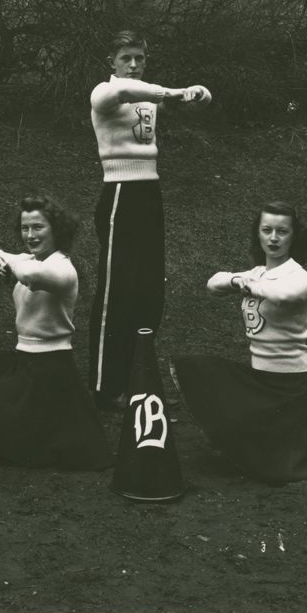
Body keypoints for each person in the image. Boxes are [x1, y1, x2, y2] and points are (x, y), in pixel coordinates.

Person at [172, 201, 307, 483]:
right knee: (196, 368)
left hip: (292, 385)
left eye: (282, 231)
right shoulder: (255, 272)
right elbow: (213, 283)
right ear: (257, 233)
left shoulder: (299, 276)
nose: (273, 238)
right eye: (266, 230)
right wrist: (238, 280)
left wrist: (249, 284)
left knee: (278, 471)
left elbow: (283, 296)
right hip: (259, 379)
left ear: (294, 236)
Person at [0, 196, 113, 470]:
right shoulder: (27, 260)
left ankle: (19, 440)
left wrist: (8, 261)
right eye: (25, 228)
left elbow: (31, 275)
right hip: (23, 362)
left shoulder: (64, 269)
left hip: (52, 369)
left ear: (57, 229)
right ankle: (16, 438)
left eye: (38, 227)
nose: (30, 235)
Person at [88, 29, 212, 411]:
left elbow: (198, 98)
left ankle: (135, 377)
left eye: (140, 57)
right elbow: (124, 93)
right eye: (126, 57)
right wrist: (173, 92)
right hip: (120, 192)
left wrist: (197, 91)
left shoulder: (150, 94)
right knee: (117, 290)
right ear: (112, 61)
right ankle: (103, 385)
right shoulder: (104, 92)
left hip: (149, 192)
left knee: (149, 291)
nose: (134, 64)